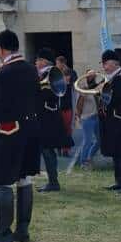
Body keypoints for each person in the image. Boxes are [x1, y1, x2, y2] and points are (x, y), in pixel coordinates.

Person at [0, 29, 42, 242]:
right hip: (30, 128)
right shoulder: (32, 69)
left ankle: (3, 233)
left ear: (3, 49)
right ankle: (22, 230)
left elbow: (0, 105)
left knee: (3, 180)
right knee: (24, 179)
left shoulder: (4, 73)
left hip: (9, 131)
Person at [35, 48, 73, 192]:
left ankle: (53, 182)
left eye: (38, 60)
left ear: (44, 61)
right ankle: (52, 180)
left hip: (47, 117)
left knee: (47, 150)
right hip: (47, 116)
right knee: (47, 150)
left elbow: (47, 94)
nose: (36, 62)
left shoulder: (49, 73)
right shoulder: (45, 73)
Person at [99, 50, 121, 196]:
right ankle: (119, 182)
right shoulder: (110, 79)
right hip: (111, 120)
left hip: (120, 119)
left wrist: (103, 93)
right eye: (103, 63)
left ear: (115, 63)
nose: (104, 66)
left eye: (106, 63)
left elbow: (120, 99)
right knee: (115, 153)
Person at [76, 70, 101, 169]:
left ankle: (89, 158)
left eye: (94, 75)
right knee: (88, 140)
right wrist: (78, 116)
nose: (92, 76)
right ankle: (83, 162)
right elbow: (79, 104)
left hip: (97, 117)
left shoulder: (96, 87)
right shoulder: (83, 88)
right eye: (90, 74)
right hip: (87, 118)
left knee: (100, 141)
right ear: (86, 76)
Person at [56, 55, 76, 142]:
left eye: (57, 63)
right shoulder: (56, 73)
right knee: (60, 127)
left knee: (67, 126)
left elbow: (74, 85)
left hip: (67, 104)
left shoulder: (71, 72)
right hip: (58, 104)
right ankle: (62, 145)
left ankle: (66, 147)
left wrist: (67, 81)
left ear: (62, 63)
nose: (56, 65)